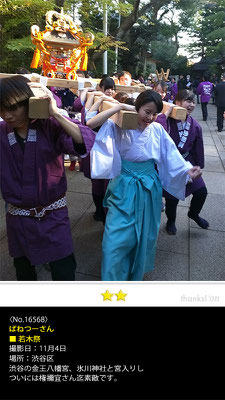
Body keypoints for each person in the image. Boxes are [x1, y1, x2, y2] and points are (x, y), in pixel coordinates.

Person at [86, 90, 202, 281]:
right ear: (137, 107)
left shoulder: (156, 129)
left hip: (149, 186)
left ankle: (133, 273)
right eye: (146, 111)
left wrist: (186, 171)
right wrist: (121, 107)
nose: (150, 117)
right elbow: (90, 123)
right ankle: (112, 281)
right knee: (114, 239)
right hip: (124, 184)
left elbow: (170, 154)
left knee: (144, 234)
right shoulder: (119, 124)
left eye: (155, 113)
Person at [0, 75, 95, 281]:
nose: (7, 115)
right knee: (24, 273)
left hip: (52, 215)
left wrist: (54, 113)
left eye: (13, 107)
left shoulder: (49, 126)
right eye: (2, 109)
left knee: (64, 272)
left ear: (28, 102)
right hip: (18, 219)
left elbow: (83, 141)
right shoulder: (1, 132)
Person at [156, 89, 209, 235]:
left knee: (201, 192)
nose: (191, 104)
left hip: (187, 163)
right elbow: (156, 131)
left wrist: (199, 165)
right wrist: (166, 113)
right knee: (172, 199)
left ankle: (193, 214)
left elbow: (198, 147)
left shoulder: (195, 125)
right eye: (188, 101)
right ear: (177, 103)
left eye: (193, 101)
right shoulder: (167, 120)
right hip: (170, 165)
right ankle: (171, 221)